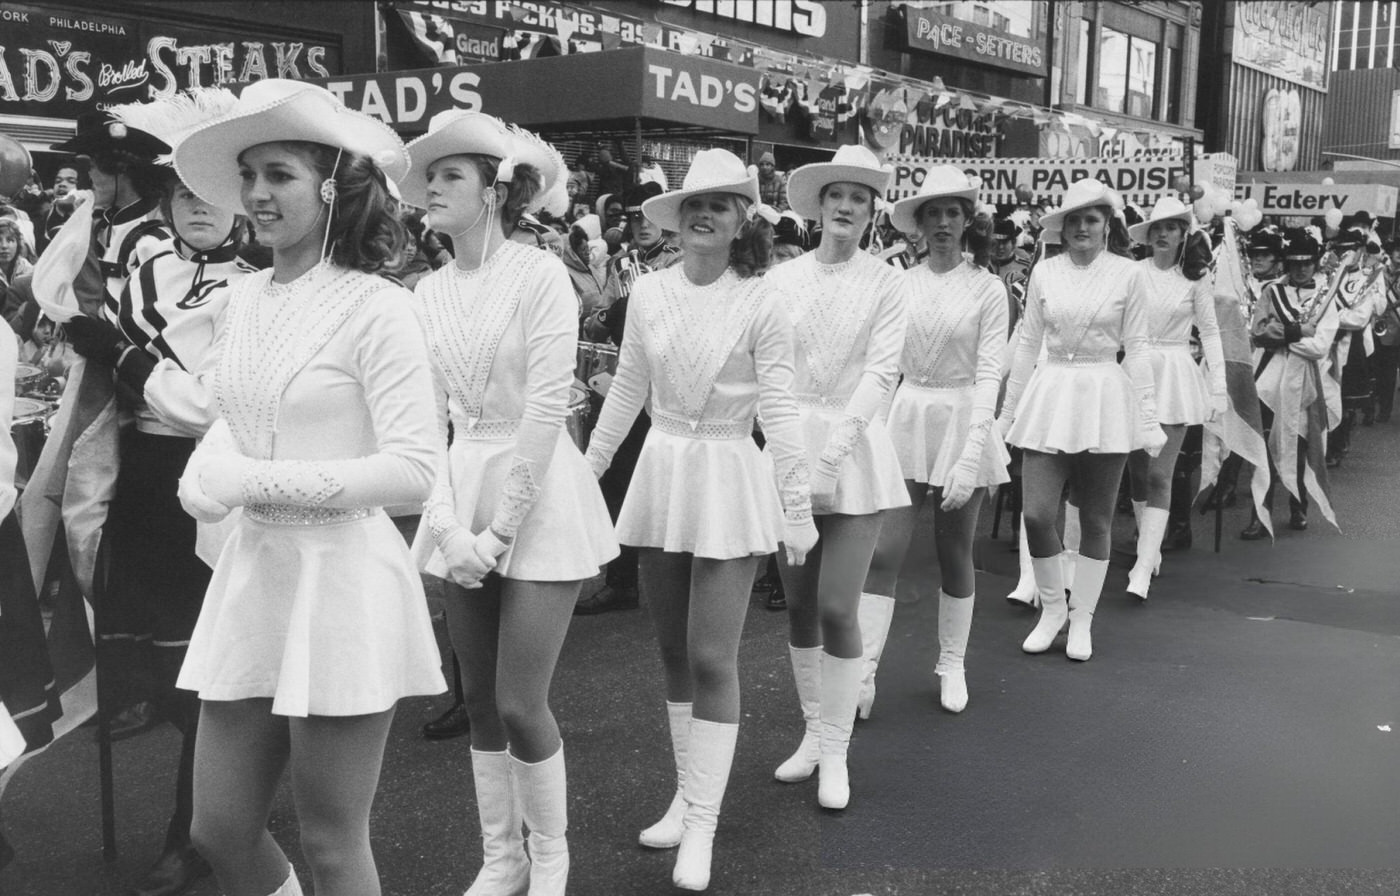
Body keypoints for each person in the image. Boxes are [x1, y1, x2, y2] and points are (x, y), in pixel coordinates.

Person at [171, 78, 446, 896]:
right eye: (248, 174)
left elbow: (414, 471)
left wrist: (250, 476)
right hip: (255, 575)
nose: (255, 194)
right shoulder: (242, 295)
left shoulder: (380, 308)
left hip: (342, 582)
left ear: (332, 184)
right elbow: (241, 407)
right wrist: (209, 459)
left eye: (279, 174)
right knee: (217, 830)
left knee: (332, 844)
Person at [584, 148, 817, 891]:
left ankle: (705, 826)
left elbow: (778, 405)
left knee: (713, 656)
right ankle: (687, 798)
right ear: (676, 219)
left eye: (719, 203)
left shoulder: (765, 297)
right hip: (664, 470)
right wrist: (583, 475)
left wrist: (797, 500)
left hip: (726, 471)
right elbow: (625, 389)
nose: (703, 214)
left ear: (743, 218)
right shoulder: (648, 293)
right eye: (692, 204)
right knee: (674, 653)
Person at [403, 109, 617, 896]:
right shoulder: (425, 290)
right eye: (429, 177)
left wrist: (497, 532)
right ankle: (503, 857)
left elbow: (544, 409)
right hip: (460, 485)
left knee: (521, 701)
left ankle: (552, 855)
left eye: (449, 175)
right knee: (482, 704)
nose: (431, 188)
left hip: (538, 491)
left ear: (493, 190)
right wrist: (448, 527)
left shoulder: (538, 275)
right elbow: (421, 421)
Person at [57, 88, 257, 896]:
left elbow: (208, 404)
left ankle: (196, 829)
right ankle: (221, 797)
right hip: (140, 476)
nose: (196, 209)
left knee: (204, 676)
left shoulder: (252, 283)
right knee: (153, 666)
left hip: (210, 481)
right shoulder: (145, 262)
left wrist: (127, 360)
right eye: (182, 194)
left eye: (212, 195)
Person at [762, 145, 908, 809]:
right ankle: (814, 734)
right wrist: (789, 452)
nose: (848, 207)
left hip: (856, 455)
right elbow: (769, 372)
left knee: (837, 606)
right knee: (797, 604)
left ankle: (837, 751)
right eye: (837, 196)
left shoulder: (886, 282)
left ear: (872, 210)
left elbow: (881, 373)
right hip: (789, 448)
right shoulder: (782, 281)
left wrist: (832, 457)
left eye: (860, 197)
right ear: (818, 206)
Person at [857, 165, 1010, 715]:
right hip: (906, 416)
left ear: (967, 221)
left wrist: (973, 450)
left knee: (953, 549)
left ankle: (951, 663)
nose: (944, 222)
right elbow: (879, 366)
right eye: (934, 214)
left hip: (963, 417)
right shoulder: (897, 283)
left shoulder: (989, 289)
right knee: (884, 551)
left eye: (953, 212)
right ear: (918, 224)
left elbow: (991, 371)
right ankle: (864, 672)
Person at [997, 178, 1165, 662]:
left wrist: (1148, 416)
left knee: (1094, 517)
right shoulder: (1045, 271)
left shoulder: (1128, 274)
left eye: (1092, 219)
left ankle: (1082, 617)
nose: (1082, 228)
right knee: (1035, 513)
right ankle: (1052, 608)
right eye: (1074, 220)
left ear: (1107, 225)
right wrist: (1007, 414)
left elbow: (1136, 347)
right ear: (1062, 226)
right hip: (1051, 393)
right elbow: (1028, 343)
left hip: (1104, 395)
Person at [575, 181, 683, 616]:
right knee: (619, 481)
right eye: (633, 218)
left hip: (672, 391)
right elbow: (594, 325)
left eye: (647, 217)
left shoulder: (678, 261)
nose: (639, 225)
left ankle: (679, 570)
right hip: (629, 383)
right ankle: (622, 581)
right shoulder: (622, 264)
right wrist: (610, 315)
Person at [1121, 198, 1226, 599]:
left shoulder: (1196, 279)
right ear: (1147, 234)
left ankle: (1143, 566)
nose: (1163, 234)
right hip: (1134, 370)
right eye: (1156, 227)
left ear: (1184, 234)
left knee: (1160, 474)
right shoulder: (1132, 273)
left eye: (1171, 227)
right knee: (1136, 473)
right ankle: (1149, 546)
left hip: (1177, 373)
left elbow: (1211, 332)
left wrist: (1218, 386)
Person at [1241, 229, 1340, 539]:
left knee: (1299, 445)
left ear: (1316, 264)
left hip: (1305, 382)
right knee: (1262, 448)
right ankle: (1259, 511)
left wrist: (1282, 336)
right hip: (1268, 381)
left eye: (1307, 262)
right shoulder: (1272, 292)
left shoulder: (1326, 298)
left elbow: (1321, 346)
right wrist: (1299, 332)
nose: (1301, 269)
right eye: (1295, 262)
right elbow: (1259, 332)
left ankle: (1298, 506)